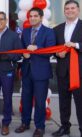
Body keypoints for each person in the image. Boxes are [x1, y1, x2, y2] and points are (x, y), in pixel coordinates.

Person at [15, 7, 56, 137]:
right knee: (25, 99)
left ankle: (39, 127)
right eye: (30, 16)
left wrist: (37, 48)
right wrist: (24, 53)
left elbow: (51, 50)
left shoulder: (49, 32)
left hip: (41, 72)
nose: (32, 18)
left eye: (35, 16)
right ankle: (25, 123)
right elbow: (22, 47)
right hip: (27, 71)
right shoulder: (25, 31)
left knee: (39, 101)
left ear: (41, 17)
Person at [52, 1, 82, 137]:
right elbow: (53, 48)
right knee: (63, 102)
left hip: (79, 73)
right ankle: (65, 126)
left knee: (80, 102)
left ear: (78, 10)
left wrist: (75, 45)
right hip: (63, 71)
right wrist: (57, 53)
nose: (69, 10)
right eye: (67, 8)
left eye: (72, 8)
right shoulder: (57, 29)